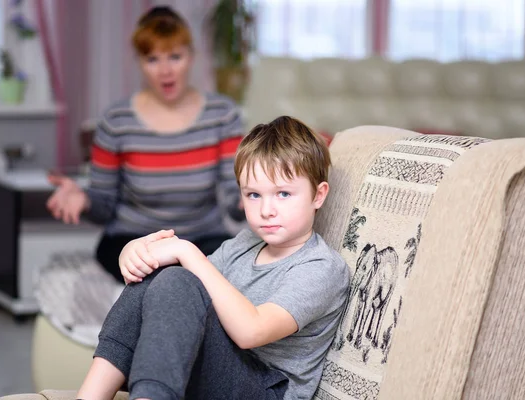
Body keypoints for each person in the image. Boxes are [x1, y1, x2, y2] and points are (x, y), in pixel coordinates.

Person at [76, 116, 350, 400]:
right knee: (160, 276)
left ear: (318, 196)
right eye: (254, 195)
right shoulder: (245, 244)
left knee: (178, 277)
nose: (267, 209)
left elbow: (251, 331)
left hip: (268, 390)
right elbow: (189, 292)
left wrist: (186, 251)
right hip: (222, 376)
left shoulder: (321, 268)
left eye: (283, 193)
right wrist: (135, 251)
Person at [46, 6, 244, 284]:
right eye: (153, 59)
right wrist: (84, 199)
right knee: (166, 278)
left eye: (175, 56)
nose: (165, 70)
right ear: (139, 62)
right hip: (132, 240)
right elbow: (103, 206)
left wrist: (254, 196)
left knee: (222, 268)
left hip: (203, 239)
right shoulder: (116, 121)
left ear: (191, 57)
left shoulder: (223, 115)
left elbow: (233, 200)